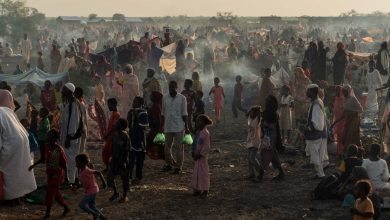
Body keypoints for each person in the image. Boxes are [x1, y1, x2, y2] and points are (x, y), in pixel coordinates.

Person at [0, 89, 37, 202]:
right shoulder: (8, 112)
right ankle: (19, 195)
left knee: (9, 173)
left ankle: (10, 197)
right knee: (18, 171)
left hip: (11, 147)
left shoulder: (2, 112)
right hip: (19, 145)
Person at [28, 129, 70, 219]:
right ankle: (66, 208)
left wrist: (67, 177)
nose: (47, 137)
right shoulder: (47, 146)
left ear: (54, 138)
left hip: (57, 174)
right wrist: (33, 165)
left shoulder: (58, 149)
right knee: (56, 193)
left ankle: (47, 213)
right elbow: (43, 158)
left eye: (49, 135)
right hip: (50, 172)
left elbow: (64, 164)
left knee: (50, 193)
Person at [162, 81, 189, 174]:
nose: (172, 89)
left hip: (179, 126)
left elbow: (185, 113)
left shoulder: (182, 98)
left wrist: (187, 127)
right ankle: (169, 164)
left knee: (179, 148)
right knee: (166, 147)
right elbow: (163, 113)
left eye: (173, 87)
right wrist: (162, 125)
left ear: (177, 88)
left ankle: (178, 167)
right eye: (170, 87)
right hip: (168, 125)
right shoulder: (165, 97)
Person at [60, 82, 82, 186]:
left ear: (69, 91)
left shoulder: (74, 103)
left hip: (71, 137)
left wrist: (69, 137)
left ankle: (71, 181)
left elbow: (74, 121)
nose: (62, 91)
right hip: (67, 135)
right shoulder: (68, 103)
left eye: (64, 89)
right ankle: (74, 179)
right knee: (71, 157)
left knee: (70, 158)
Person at [305, 84, 329, 179]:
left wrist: (310, 128)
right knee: (319, 154)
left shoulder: (316, 104)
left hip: (316, 133)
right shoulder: (317, 101)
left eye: (308, 91)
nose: (307, 93)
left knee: (315, 154)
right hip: (320, 133)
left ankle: (320, 174)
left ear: (312, 92)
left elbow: (317, 122)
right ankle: (323, 167)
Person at [258, 95, 284, 180]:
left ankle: (260, 175)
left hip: (270, 137)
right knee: (273, 155)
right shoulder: (273, 113)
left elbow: (271, 126)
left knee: (265, 154)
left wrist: (264, 124)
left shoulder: (270, 113)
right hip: (270, 136)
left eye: (267, 101)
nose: (265, 102)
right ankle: (281, 172)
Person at [76, 154, 107, 220]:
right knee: (92, 206)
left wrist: (104, 183)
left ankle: (94, 214)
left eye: (77, 162)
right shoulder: (81, 171)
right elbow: (85, 183)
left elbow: (98, 172)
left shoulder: (87, 170)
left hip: (92, 191)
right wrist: (76, 187)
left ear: (83, 163)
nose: (76, 164)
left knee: (81, 204)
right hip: (92, 190)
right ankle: (103, 218)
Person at [107, 118, 131, 203]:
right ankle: (116, 192)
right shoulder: (115, 134)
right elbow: (112, 146)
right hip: (115, 159)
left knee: (124, 178)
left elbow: (127, 150)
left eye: (117, 123)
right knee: (110, 177)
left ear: (121, 126)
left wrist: (124, 161)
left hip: (122, 160)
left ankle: (124, 196)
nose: (115, 124)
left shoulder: (125, 136)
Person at [127, 97, 149, 183]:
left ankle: (138, 177)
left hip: (140, 139)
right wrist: (130, 116)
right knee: (131, 158)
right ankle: (129, 176)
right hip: (132, 137)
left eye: (135, 102)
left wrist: (136, 116)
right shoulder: (131, 112)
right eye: (133, 101)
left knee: (140, 159)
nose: (133, 103)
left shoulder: (143, 113)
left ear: (140, 104)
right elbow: (129, 125)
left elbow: (145, 126)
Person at [192, 114, 212, 197]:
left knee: (203, 174)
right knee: (197, 173)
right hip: (197, 156)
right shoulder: (198, 132)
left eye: (199, 121)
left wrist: (200, 154)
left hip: (202, 157)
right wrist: (193, 152)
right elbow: (194, 143)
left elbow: (207, 146)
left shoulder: (206, 133)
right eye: (196, 121)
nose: (197, 123)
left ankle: (205, 190)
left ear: (204, 122)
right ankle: (197, 189)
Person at [102, 98, 121, 169]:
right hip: (110, 137)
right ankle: (108, 167)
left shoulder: (116, 114)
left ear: (115, 105)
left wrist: (106, 135)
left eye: (110, 105)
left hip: (113, 138)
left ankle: (110, 168)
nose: (109, 107)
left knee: (108, 153)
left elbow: (114, 127)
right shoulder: (114, 114)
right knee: (107, 152)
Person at [245, 106, 262, 181]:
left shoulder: (257, 119)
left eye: (252, 112)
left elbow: (255, 125)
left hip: (256, 140)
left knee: (252, 157)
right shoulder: (250, 118)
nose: (250, 113)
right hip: (249, 139)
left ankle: (260, 171)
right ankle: (251, 173)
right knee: (249, 157)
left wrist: (257, 111)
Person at [146, 91, 164, 160]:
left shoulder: (156, 106)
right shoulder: (156, 105)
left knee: (153, 141)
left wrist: (159, 126)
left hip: (155, 127)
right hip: (155, 126)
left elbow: (158, 117)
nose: (150, 97)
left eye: (152, 96)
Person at [333, 86, 346, 156]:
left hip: (342, 122)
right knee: (338, 137)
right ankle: (339, 152)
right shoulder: (337, 99)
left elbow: (344, 112)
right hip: (338, 122)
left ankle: (343, 152)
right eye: (336, 91)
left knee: (342, 137)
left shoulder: (344, 100)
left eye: (338, 91)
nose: (337, 93)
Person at [74, 87, 88, 153]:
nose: (73, 94)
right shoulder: (79, 103)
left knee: (80, 151)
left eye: (74, 93)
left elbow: (82, 119)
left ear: (78, 93)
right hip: (81, 129)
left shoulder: (80, 104)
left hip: (80, 129)